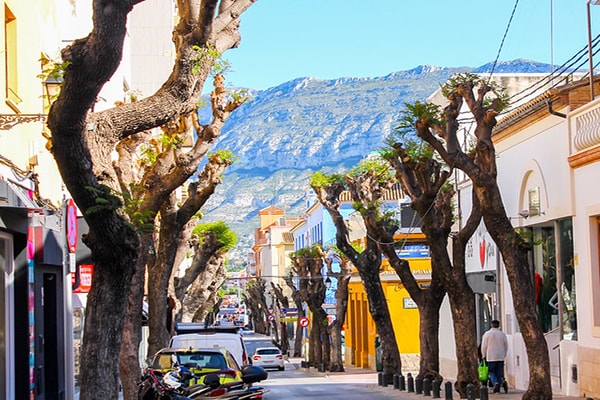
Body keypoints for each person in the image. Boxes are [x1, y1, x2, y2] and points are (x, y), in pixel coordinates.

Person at [481, 319, 509, 393]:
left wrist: (483, 355)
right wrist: (504, 354)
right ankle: (498, 387)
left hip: (491, 356)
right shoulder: (502, 334)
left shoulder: (487, 334)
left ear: (491, 325)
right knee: (499, 372)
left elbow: (484, 346)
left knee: (491, 371)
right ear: (498, 325)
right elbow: (506, 345)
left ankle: (495, 382)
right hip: (500, 356)